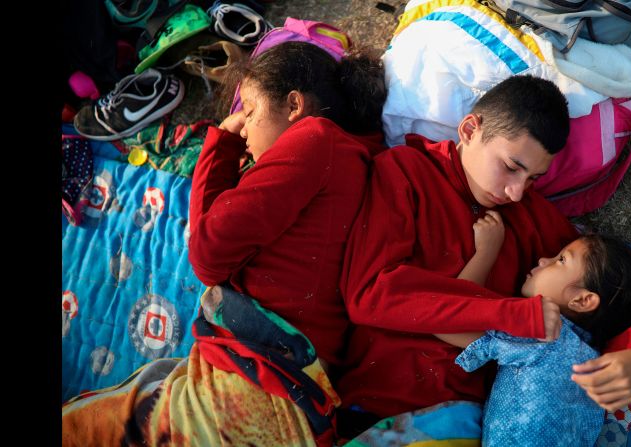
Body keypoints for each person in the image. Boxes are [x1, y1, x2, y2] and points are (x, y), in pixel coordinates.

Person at [62, 41, 387, 447]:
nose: (244, 127)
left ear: (294, 105)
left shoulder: (316, 140)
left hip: (257, 397)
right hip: (272, 391)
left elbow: (207, 254)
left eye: (249, 111)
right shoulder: (354, 159)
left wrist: (219, 145)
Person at [337, 75, 631, 424]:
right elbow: (370, 293)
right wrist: (511, 315)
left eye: (533, 178)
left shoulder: (527, 212)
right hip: (382, 408)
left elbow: (601, 290)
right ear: (470, 130)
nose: (517, 192)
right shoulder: (406, 172)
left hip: (479, 422)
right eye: (511, 167)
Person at [438, 214, 631, 445]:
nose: (542, 259)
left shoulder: (543, 332)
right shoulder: (592, 360)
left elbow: (449, 320)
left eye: (560, 260)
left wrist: (486, 250)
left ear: (582, 300)